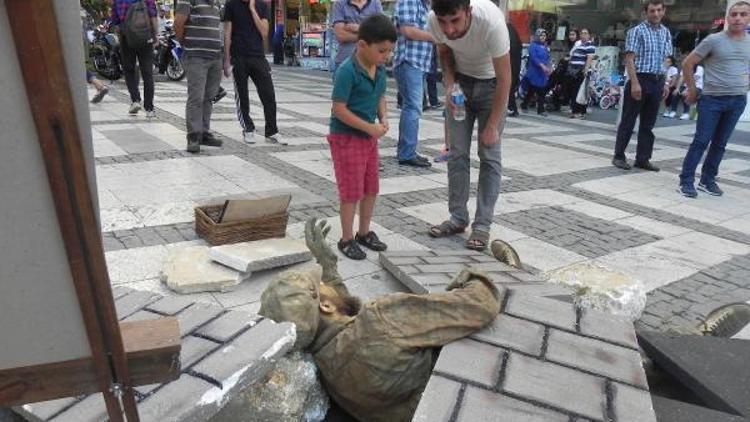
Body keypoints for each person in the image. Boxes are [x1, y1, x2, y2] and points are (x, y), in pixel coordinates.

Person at [259, 218, 503, 421]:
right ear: (324, 304)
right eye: (321, 283)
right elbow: (480, 305)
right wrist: (475, 277)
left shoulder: (323, 366)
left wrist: (329, 267)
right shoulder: (382, 319)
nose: (325, 281)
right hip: (457, 396)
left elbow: (340, 320)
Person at [426, 0, 511, 252]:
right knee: (457, 153)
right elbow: (444, 53)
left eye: (455, 20)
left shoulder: (492, 22)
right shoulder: (434, 19)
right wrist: (451, 86)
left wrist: (493, 125)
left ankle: (482, 225)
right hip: (462, 85)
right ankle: (458, 218)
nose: (449, 29)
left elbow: (506, 78)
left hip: (492, 86)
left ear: (468, 11)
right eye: (443, 22)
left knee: (489, 155)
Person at [328, 14, 394, 260]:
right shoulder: (347, 71)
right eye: (382, 50)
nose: (386, 56)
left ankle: (364, 233)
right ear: (362, 45)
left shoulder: (379, 70)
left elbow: (380, 97)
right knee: (351, 191)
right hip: (346, 138)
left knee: (370, 188)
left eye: (389, 51)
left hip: (368, 139)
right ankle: (346, 238)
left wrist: (384, 118)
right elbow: (339, 109)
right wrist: (369, 128)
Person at [677, 1, 750, 198]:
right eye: (734, 14)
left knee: (720, 143)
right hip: (712, 100)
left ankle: (707, 180)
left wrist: (745, 85)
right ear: (727, 18)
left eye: (743, 14)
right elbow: (687, 63)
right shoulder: (713, 40)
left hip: (737, 100)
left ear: (748, 18)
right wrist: (692, 90)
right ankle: (686, 181)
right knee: (701, 141)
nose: (738, 18)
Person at [612, 0, 673, 171]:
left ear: (663, 11)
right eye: (652, 11)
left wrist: (666, 82)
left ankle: (643, 158)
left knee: (648, 124)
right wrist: (635, 83)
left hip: (657, 80)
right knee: (628, 120)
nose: (655, 14)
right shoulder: (636, 31)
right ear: (646, 12)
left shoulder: (666, 33)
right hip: (640, 78)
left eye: (658, 10)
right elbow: (629, 59)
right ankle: (618, 156)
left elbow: (667, 59)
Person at [223, 0, 285, 144]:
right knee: (242, 95)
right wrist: (226, 59)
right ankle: (248, 128)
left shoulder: (261, 6)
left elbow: (264, 32)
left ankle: (272, 130)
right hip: (238, 56)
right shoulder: (231, 4)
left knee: (268, 94)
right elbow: (227, 32)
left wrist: (252, 9)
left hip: (258, 56)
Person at [174, 0, 224, 153]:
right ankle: (193, 136)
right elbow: (178, 24)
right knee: (196, 97)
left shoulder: (217, 2)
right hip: (196, 56)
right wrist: (186, 45)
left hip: (215, 56)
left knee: (209, 97)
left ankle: (204, 133)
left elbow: (219, 27)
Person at [394, 0, 436, 168]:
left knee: (410, 107)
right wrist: (436, 37)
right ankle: (407, 153)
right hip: (409, 62)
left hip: (419, 63)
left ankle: (405, 150)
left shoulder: (426, 5)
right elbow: (407, 30)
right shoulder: (409, 1)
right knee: (413, 107)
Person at [110, 0, 159, 117]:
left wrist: (121, 36)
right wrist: (155, 35)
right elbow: (153, 16)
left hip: (127, 38)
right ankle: (149, 108)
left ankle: (135, 100)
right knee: (147, 73)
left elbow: (116, 24)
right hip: (146, 37)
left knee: (129, 70)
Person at [330, 0, 383, 73]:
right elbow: (341, 35)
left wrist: (359, 28)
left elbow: (380, 33)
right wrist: (369, 35)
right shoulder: (339, 4)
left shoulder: (375, 3)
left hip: (370, 63)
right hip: (345, 61)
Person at [520, 28, 551, 116]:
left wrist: (549, 67)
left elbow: (548, 58)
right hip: (535, 72)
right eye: (541, 35)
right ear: (537, 36)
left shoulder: (545, 47)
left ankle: (539, 109)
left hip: (543, 73)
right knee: (532, 90)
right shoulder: (533, 46)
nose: (543, 37)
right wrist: (542, 66)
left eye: (544, 36)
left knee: (541, 90)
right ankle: (526, 105)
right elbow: (534, 58)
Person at [567, 27, 595, 119]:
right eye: (582, 33)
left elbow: (589, 58)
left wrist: (585, 70)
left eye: (585, 33)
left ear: (589, 35)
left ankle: (580, 112)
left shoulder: (590, 45)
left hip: (582, 71)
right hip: (574, 71)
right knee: (575, 91)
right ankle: (575, 111)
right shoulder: (579, 44)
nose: (583, 35)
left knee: (581, 92)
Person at [506, 21, 522, 117]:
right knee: (510, 88)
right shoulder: (517, 43)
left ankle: (512, 108)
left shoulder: (508, 43)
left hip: (509, 67)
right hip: (515, 67)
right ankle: (512, 108)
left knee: (508, 88)